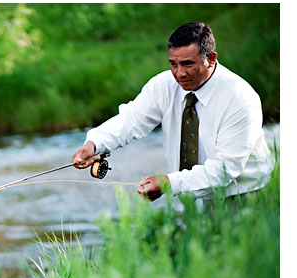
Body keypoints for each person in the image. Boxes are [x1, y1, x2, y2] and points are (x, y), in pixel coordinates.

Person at [72, 22, 275, 202]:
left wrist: (168, 183)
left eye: (188, 64)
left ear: (211, 59)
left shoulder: (239, 98)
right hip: (192, 198)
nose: (179, 73)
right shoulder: (164, 85)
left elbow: (224, 170)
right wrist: (94, 144)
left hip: (247, 197)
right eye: (173, 64)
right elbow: (131, 119)